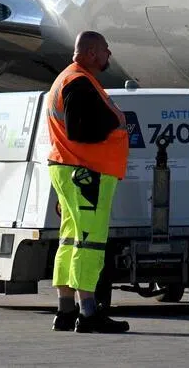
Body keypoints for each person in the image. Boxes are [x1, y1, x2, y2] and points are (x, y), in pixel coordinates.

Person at [46, 30, 131, 333]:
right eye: (106, 50)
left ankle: (65, 311)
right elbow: (79, 130)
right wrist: (116, 122)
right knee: (90, 241)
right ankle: (89, 313)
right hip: (87, 172)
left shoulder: (70, 78)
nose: (109, 56)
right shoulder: (79, 82)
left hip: (70, 168)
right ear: (93, 52)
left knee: (70, 238)